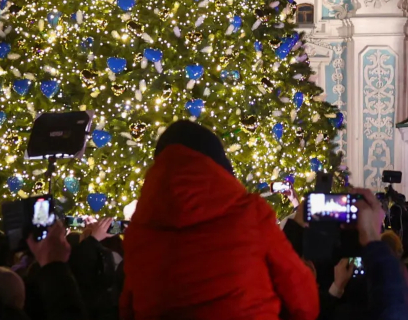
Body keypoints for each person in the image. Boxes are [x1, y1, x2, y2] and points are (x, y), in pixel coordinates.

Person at [120, 120, 319, 319]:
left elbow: (128, 307)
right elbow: (302, 297)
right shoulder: (249, 213)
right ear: (219, 162)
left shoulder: (138, 231)